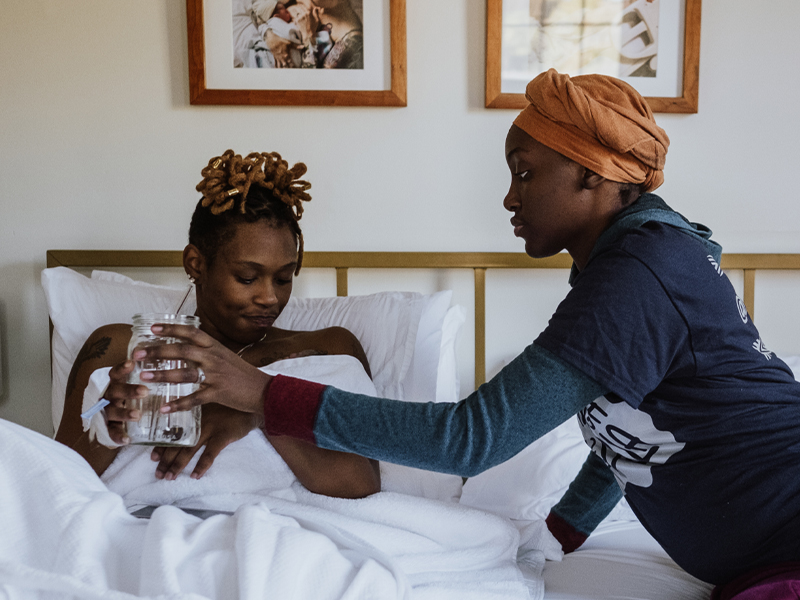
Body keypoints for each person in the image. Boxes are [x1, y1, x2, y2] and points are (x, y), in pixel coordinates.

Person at [103, 71, 800, 597]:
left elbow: (471, 437)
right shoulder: (635, 266)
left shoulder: (639, 275)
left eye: (526, 172)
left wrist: (260, 394)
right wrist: (554, 540)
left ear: (591, 175)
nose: (508, 196)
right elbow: (631, 435)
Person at [54, 149, 380, 500]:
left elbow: (362, 483)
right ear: (196, 263)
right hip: (140, 522)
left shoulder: (331, 347)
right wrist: (106, 429)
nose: (269, 297)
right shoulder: (121, 346)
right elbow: (54, 481)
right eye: (247, 277)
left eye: (284, 278)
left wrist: (260, 410)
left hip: (287, 528)